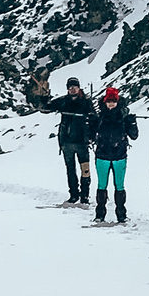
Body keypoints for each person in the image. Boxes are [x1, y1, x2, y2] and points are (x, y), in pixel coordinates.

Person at [90, 84, 140, 223]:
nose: (111, 104)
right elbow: (90, 136)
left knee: (118, 185)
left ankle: (120, 214)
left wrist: (132, 123)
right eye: (109, 101)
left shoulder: (123, 117)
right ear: (105, 102)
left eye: (113, 101)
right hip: (106, 155)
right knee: (102, 185)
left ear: (117, 101)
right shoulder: (100, 117)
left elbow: (134, 135)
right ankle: (101, 214)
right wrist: (90, 124)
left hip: (115, 156)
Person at [56, 75, 94, 205]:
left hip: (82, 142)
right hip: (66, 142)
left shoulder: (86, 102)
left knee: (85, 169)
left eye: (75, 87)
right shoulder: (63, 101)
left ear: (79, 88)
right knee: (70, 170)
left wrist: (91, 136)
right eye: (70, 87)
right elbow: (46, 107)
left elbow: (93, 118)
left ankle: (85, 195)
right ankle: (73, 194)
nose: (72, 89)